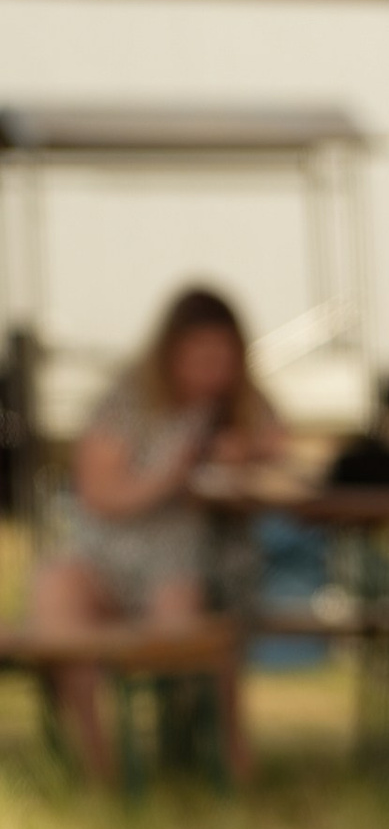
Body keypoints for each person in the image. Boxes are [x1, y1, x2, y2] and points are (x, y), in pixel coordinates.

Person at [27, 285, 275, 779]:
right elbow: (99, 492)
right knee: (57, 592)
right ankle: (101, 765)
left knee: (184, 600)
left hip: (206, 565)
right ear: (171, 353)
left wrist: (247, 455)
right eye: (198, 359)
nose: (211, 373)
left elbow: (284, 456)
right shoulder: (129, 398)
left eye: (221, 360)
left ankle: (196, 759)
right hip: (116, 559)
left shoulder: (244, 405)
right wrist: (171, 474)